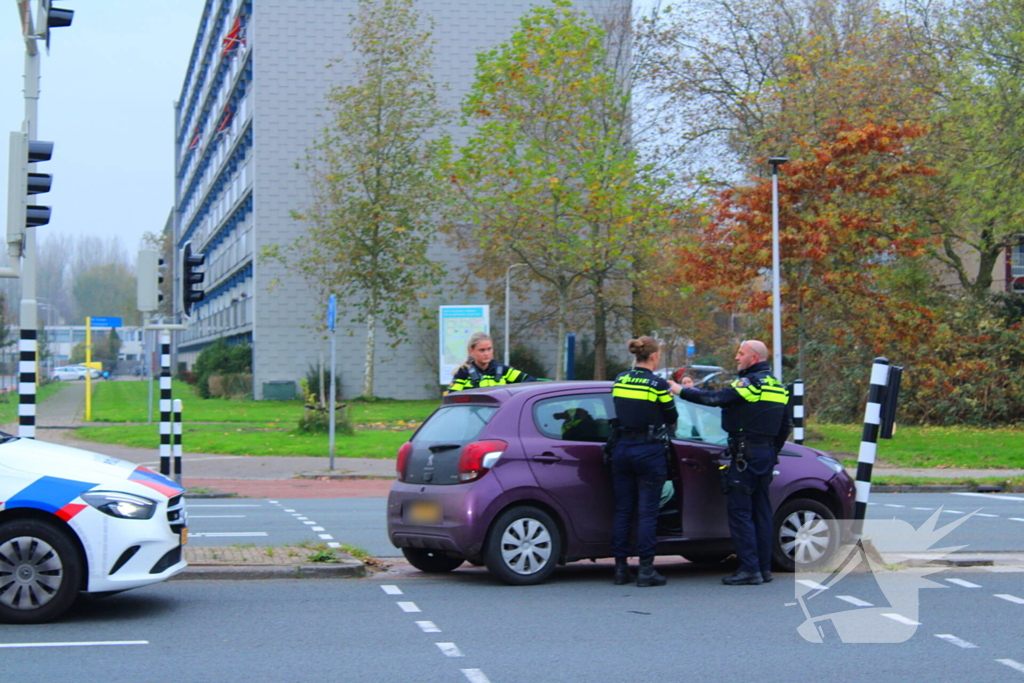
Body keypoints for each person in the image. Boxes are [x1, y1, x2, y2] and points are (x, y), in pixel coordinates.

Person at [676, 340, 792, 585]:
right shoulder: (778, 387)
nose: (737, 358)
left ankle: (749, 569)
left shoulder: (750, 384)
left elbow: (715, 399)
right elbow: (786, 426)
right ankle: (763, 568)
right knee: (761, 512)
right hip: (765, 456)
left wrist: (679, 390)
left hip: (744, 456)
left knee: (740, 512)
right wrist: (771, 451)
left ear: (754, 358)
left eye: (741, 354)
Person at [608, 336, 682, 587]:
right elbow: (672, 415)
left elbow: (618, 408)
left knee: (623, 511)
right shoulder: (658, 385)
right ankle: (646, 570)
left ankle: (620, 569)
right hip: (648, 451)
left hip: (621, 449)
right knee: (648, 513)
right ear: (653, 356)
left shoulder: (620, 379)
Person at [446, 332, 536, 393]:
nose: (486, 353)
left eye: (489, 349)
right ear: (471, 351)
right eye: (482, 350)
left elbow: (530, 380)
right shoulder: (463, 373)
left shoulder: (502, 370)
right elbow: (452, 396)